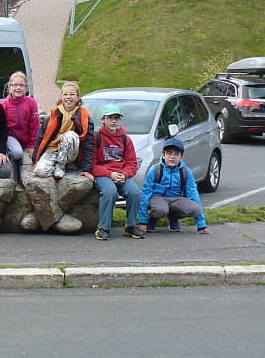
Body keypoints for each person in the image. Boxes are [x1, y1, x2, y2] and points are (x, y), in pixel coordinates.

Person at [89, 104, 143, 240]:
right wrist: (110, 174)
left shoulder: (125, 139)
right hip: (103, 175)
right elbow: (92, 165)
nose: (113, 121)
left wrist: (124, 174)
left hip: (121, 175)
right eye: (110, 118)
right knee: (110, 191)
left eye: (117, 118)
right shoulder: (96, 137)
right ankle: (103, 227)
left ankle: (131, 226)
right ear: (103, 119)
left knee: (135, 192)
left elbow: (132, 164)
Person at [138, 138, 211, 235]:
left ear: (181, 157)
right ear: (163, 155)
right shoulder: (155, 169)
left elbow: (193, 195)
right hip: (157, 198)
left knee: (195, 209)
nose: (172, 157)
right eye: (169, 153)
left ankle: (173, 218)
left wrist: (201, 225)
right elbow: (145, 193)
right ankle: (152, 219)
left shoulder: (185, 171)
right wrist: (142, 221)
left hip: (176, 199)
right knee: (160, 210)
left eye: (176, 154)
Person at [32, 82, 93, 179]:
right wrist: (35, 161)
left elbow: (88, 144)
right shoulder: (52, 116)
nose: (68, 97)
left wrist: (87, 169)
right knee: (41, 172)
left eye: (72, 94)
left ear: (78, 98)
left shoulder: (85, 118)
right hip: (52, 149)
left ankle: (61, 166)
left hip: (70, 152)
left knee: (70, 135)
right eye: (65, 94)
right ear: (61, 97)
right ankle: (54, 165)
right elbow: (40, 138)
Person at [1, 71, 39, 161]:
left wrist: (32, 144)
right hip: (11, 137)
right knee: (17, 153)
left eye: (21, 85)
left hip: (26, 137)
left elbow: (34, 125)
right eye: (15, 85)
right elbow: (1, 128)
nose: (18, 88)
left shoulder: (31, 102)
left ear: (26, 87)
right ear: (9, 87)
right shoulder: (3, 105)